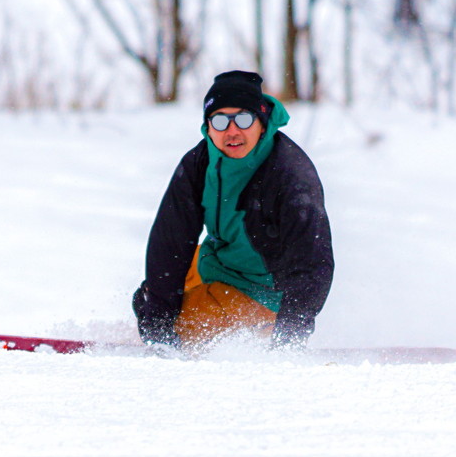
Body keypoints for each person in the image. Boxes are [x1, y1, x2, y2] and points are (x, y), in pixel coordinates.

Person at [132, 71, 334, 353]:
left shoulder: (290, 175)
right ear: (207, 127)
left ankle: (254, 329)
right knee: (156, 293)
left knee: (185, 325)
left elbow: (312, 262)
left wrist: (289, 336)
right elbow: (171, 242)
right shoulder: (199, 164)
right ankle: (174, 330)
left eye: (243, 119)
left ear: (262, 124)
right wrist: (156, 316)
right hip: (218, 264)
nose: (232, 131)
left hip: (265, 292)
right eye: (219, 120)